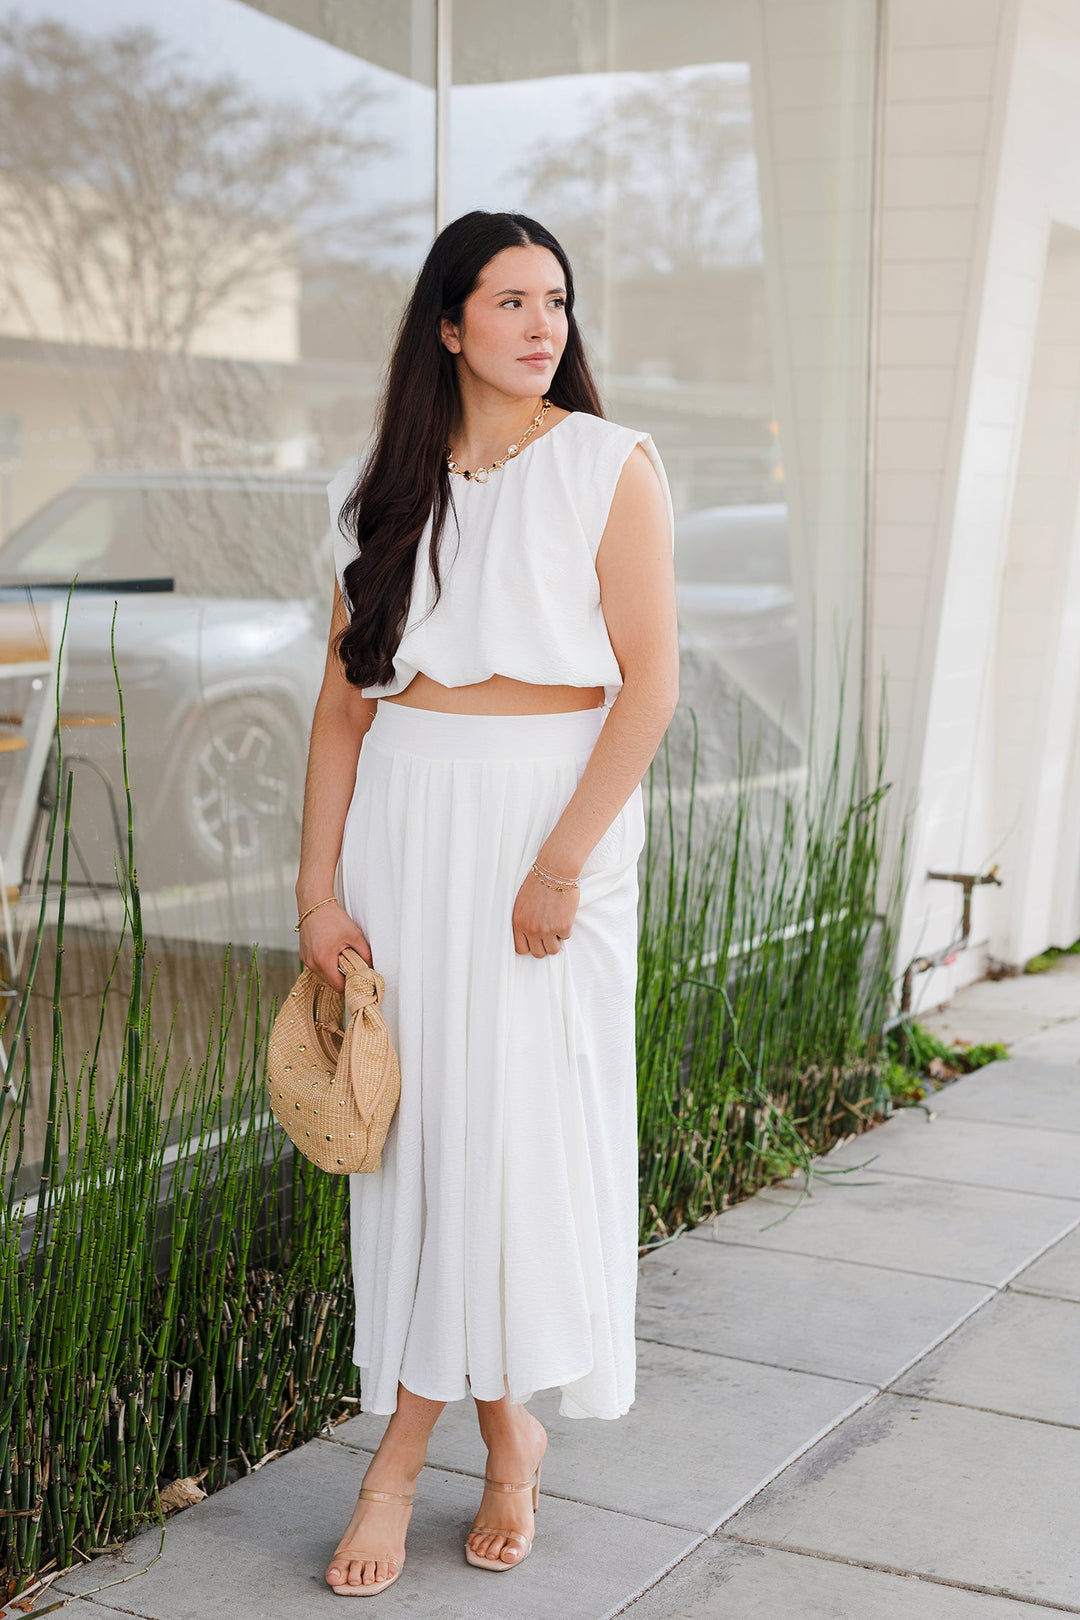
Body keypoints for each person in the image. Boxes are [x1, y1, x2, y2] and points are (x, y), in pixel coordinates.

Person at [294, 209, 678, 1597]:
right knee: (423, 1140)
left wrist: (564, 860)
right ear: (448, 325)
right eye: (509, 299)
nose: (541, 324)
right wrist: (316, 893)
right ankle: (505, 1433)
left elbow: (650, 685)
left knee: (517, 1137)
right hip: (411, 822)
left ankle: (399, 1458)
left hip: (545, 828)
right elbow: (342, 711)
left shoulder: (608, 465)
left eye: (557, 300)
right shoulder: (381, 492)